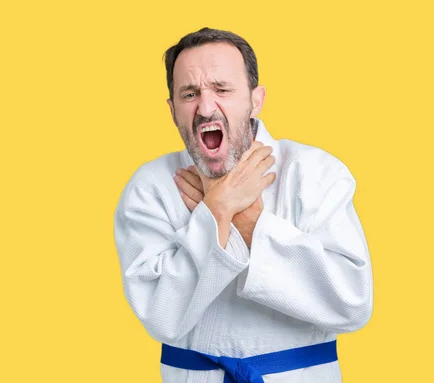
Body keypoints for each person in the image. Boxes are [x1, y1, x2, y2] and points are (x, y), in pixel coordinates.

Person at [113, 27, 373, 383]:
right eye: (189, 94)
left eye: (222, 89)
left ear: (255, 99)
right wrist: (217, 211)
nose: (205, 107)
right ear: (173, 110)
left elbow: (352, 303)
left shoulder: (315, 173)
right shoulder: (151, 187)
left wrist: (247, 222)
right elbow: (162, 316)